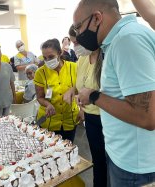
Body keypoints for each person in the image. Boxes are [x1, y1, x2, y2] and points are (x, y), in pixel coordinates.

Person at [73, 0, 155, 186]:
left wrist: (94, 96)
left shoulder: (127, 41)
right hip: (126, 156)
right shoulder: (117, 41)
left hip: (136, 166)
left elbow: (146, 117)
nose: (77, 36)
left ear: (96, 18)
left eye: (78, 28)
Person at [69, 28, 107, 187]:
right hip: (91, 118)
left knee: (111, 161)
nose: (75, 46)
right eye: (73, 43)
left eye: (77, 42)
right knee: (98, 160)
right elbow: (81, 87)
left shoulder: (106, 57)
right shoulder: (83, 59)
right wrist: (73, 91)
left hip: (107, 117)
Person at [34, 39, 79, 142]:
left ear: (60, 53)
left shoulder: (74, 68)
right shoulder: (40, 73)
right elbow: (40, 97)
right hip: (50, 121)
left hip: (69, 119)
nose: (48, 60)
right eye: (45, 58)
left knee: (68, 149)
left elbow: (82, 88)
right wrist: (47, 104)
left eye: (51, 57)